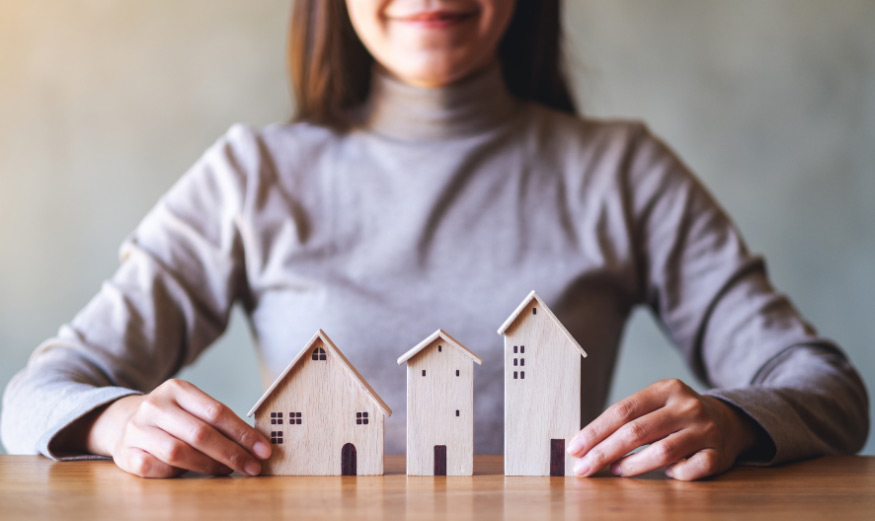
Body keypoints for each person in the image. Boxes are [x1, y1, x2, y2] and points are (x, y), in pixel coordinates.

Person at [1, 0, 868, 480]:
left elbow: (826, 388)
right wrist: (117, 419)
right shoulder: (251, 174)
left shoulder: (621, 170)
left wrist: (731, 418)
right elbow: (35, 394)